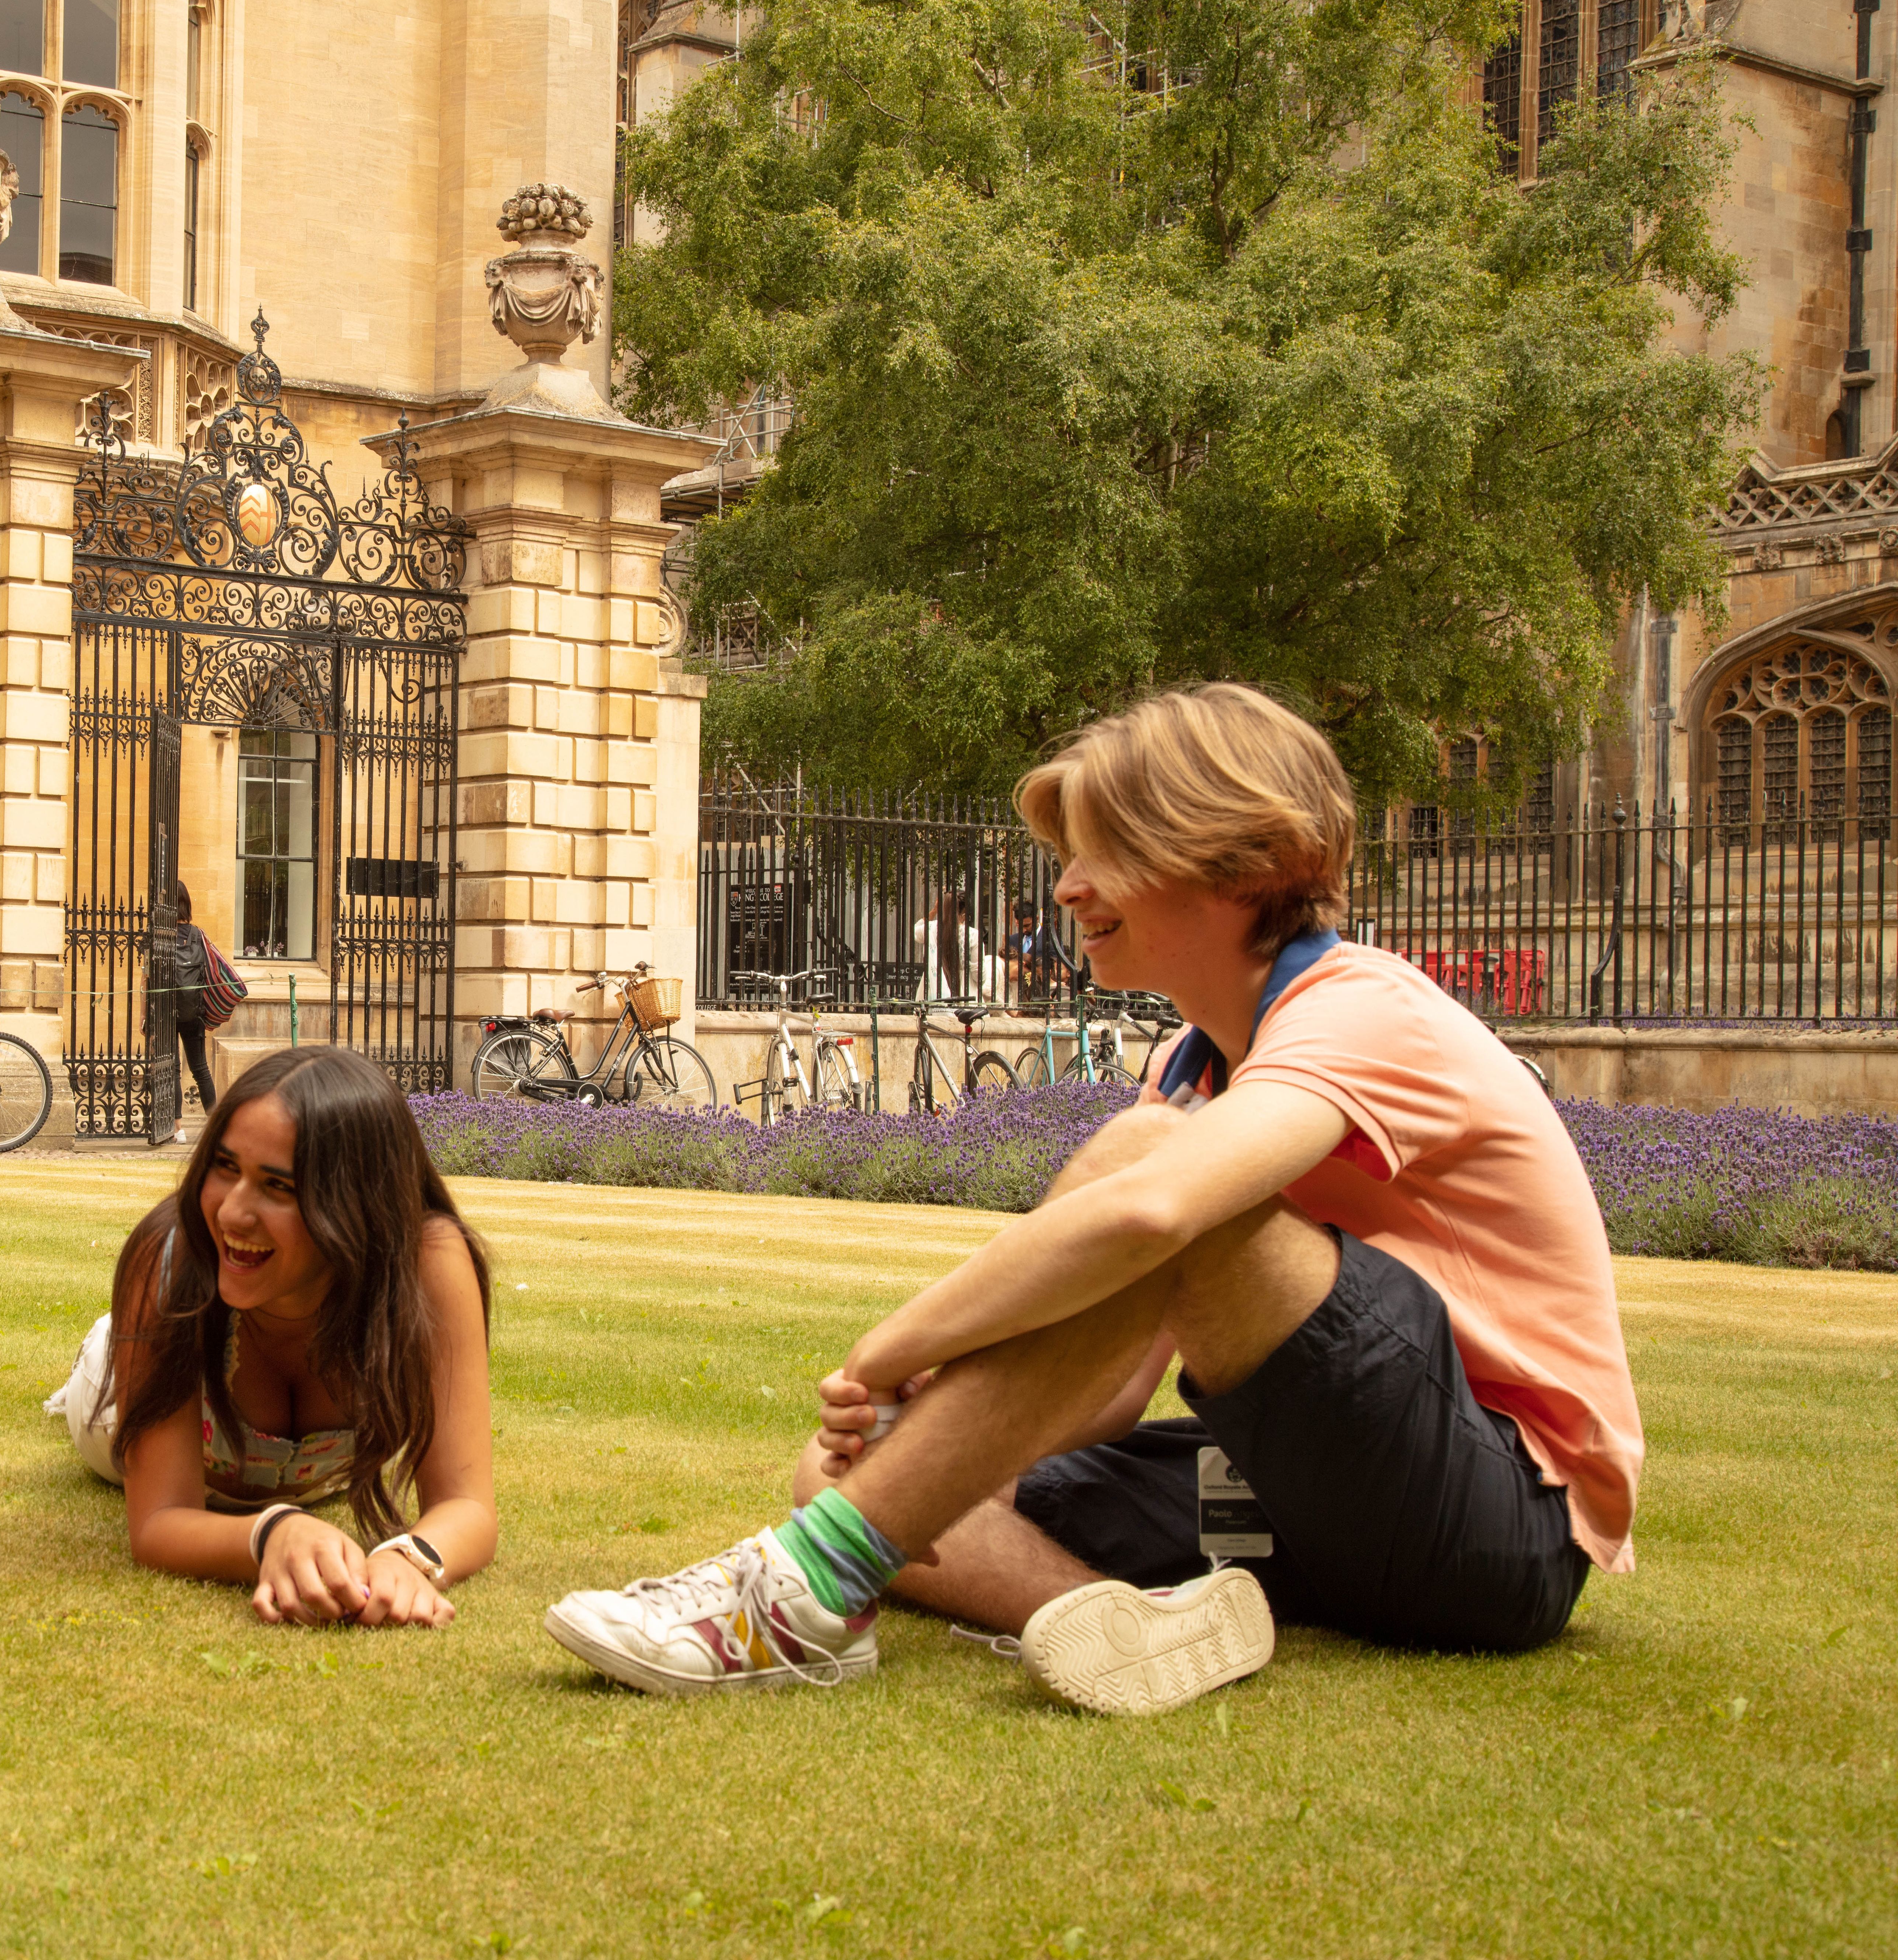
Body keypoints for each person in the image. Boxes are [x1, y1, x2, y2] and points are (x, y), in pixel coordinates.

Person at [546, 684, 1637, 1714]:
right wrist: (930, 1421)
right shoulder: (1192, 1061)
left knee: (1156, 1160)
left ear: (1254, 859)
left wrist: (893, 1346)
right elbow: (1112, 1383)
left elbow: (1151, 1213)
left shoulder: (1364, 1010)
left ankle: (793, 1601)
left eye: (1107, 851)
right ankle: (1120, 1622)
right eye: (1071, 855)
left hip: (1497, 1521)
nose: (1068, 886)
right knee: (863, 1477)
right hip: (1316, 1504)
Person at [44, 1046, 496, 1628]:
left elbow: (469, 1505)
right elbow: (159, 1521)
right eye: (225, 1167)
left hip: (297, 1475)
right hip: (118, 1391)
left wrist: (412, 1558)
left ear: (358, 1203)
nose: (233, 1213)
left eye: (278, 1186)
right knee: (115, 1353)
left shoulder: (427, 1262)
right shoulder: (169, 1259)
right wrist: (270, 1533)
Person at [168, 879, 220, 1110]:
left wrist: (143, 1015)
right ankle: (214, 1129)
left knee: (172, 1070)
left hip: (165, 1011)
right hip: (194, 1011)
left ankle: (177, 1128)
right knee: (201, 1070)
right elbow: (211, 973)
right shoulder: (199, 935)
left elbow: (146, 979)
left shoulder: (161, 936)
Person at [1004, 895, 1066, 1002]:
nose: (1024, 930)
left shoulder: (1050, 940)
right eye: (1019, 925)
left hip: (1041, 993)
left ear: (1037, 919)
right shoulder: (1013, 940)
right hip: (1015, 992)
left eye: (1027, 925)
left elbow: (1059, 966)